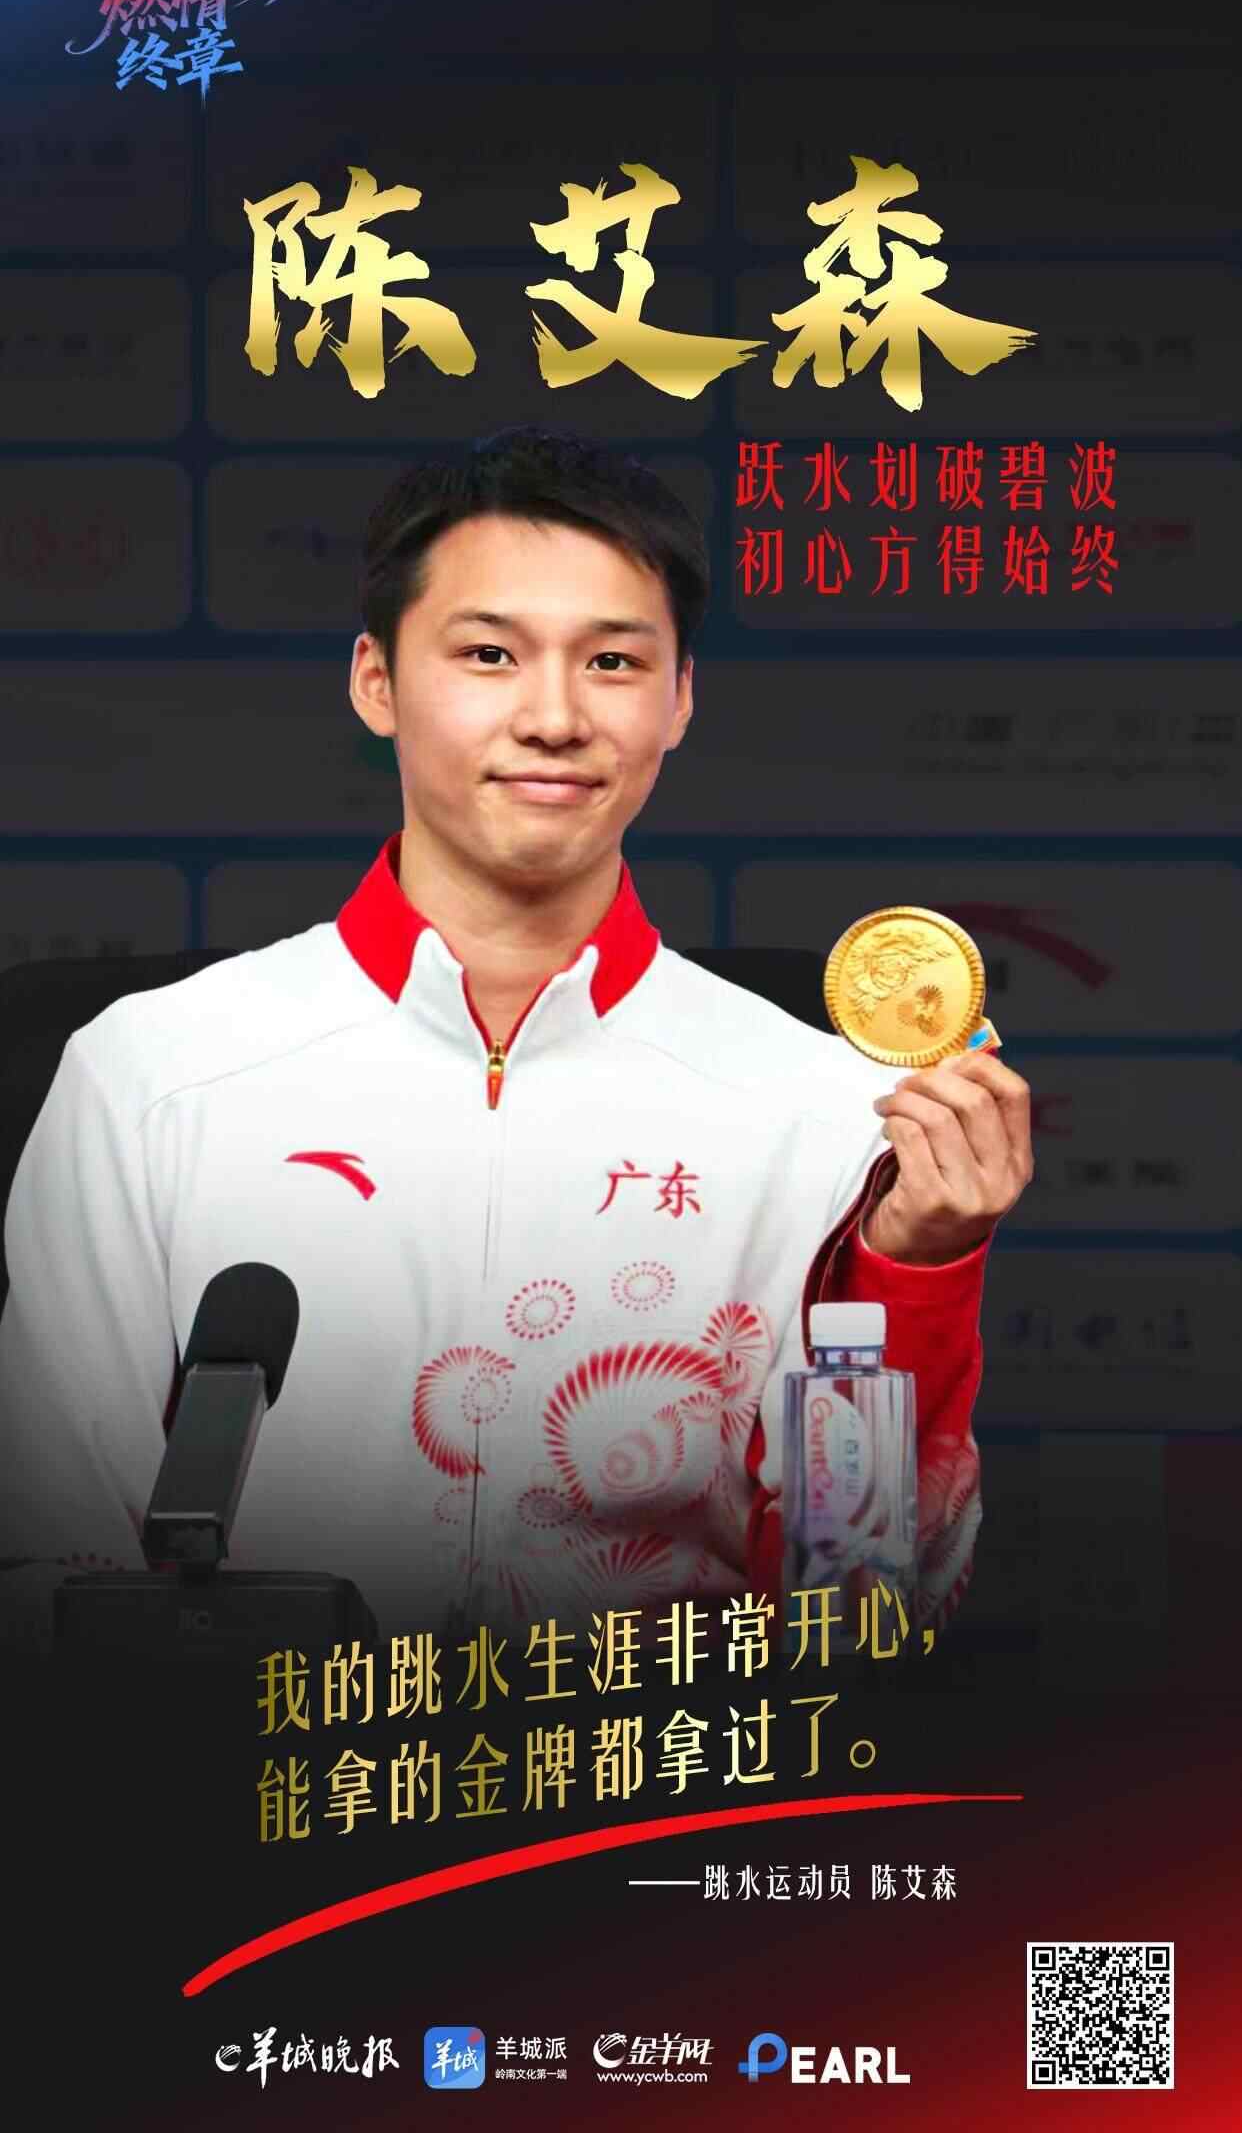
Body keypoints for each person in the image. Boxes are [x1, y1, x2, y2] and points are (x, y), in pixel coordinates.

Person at [0, 427, 1032, 1645]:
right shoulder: (153, 1071)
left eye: (613, 662)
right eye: (489, 653)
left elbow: (862, 1612)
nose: (553, 717)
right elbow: (53, 1563)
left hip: (649, 1755)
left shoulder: (826, 1104)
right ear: (376, 680)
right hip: (256, 1749)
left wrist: (915, 1271)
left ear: (680, 699)